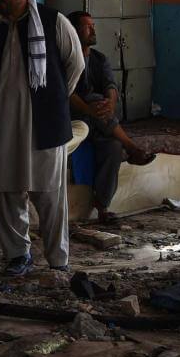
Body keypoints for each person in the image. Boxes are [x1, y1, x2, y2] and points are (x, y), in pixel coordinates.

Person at [0, 0, 84, 276]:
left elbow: (75, 65)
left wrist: (53, 99)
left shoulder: (53, 22)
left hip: (44, 127)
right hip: (3, 127)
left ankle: (58, 259)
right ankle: (17, 255)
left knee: (50, 196)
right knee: (6, 193)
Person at [67, 11, 157, 223]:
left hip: (100, 122)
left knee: (113, 148)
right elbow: (67, 93)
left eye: (93, 25)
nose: (93, 30)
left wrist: (110, 103)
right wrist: (90, 108)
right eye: (87, 26)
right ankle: (132, 147)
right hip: (76, 120)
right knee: (93, 98)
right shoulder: (66, 59)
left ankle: (103, 207)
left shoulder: (99, 59)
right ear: (74, 31)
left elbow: (111, 87)